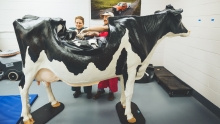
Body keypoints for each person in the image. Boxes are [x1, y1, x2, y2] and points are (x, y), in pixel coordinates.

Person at [78, 12, 118, 101]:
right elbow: (98, 34)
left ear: (111, 18)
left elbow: (104, 31)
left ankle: (111, 92)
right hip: (102, 55)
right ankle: (100, 90)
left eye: (106, 17)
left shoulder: (114, 27)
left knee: (112, 75)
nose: (104, 19)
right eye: (103, 17)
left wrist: (87, 30)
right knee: (101, 74)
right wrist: (89, 34)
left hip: (112, 56)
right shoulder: (103, 28)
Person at [71, 16, 92, 99]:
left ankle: (88, 92)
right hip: (74, 56)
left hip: (84, 56)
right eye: (77, 22)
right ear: (75, 23)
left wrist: (85, 36)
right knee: (75, 74)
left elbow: (91, 39)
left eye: (80, 23)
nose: (78, 24)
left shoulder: (87, 30)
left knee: (86, 75)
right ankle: (77, 90)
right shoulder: (71, 30)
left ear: (83, 23)